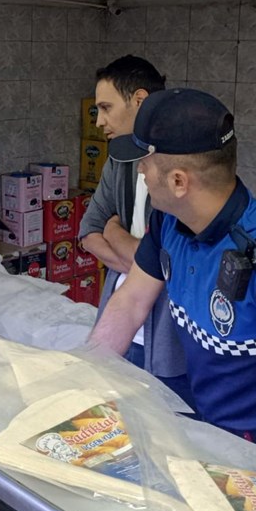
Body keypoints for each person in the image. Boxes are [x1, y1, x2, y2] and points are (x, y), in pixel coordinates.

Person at [87, 88, 256, 472]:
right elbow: (129, 304)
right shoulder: (170, 224)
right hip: (216, 444)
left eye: (145, 163)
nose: (141, 173)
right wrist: (78, 388)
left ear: (179, 182)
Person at [77, 56, 192, 411]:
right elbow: (88, 230)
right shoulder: (120, 158)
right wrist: (139, 260)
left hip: (170, 340)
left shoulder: (186, 166)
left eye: (106, 108)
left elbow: (166, 259)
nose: (100, 122)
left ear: (139, 101)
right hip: (121, 324)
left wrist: (116, 232)